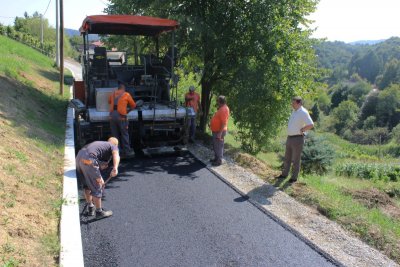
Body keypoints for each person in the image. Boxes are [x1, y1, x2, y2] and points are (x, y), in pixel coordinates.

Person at [76, 137, 120, 219]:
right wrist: (115, 168)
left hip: (79, 158)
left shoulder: (100, 144)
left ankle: (90, 207)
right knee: (98, 185)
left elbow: (95, 163)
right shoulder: (113, 146)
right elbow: (116, 155)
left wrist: (98, 172)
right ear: (116, 144)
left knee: (87, 185)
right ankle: (99, 212)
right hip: (88, 159)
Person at [277, 96, 314, 182]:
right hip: (290, 137)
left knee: (296, 159)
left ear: (298, 103)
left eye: (293, 103)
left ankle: (294, 178)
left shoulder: (303, 112)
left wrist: (302, 130)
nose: (292, 104)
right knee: (287, 158)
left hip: (297, 138)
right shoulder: (294, 111)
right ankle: (284, 174)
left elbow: (311, 124)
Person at [109, 82, 136, 157]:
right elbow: (133, 105)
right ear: (124, 89)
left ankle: (117, 151)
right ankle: (127, 151)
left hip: (112, 116)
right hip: (121, 117)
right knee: (124, 134)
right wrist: (128, 110)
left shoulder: (112, 94)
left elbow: (109, 102)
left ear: (118, 89)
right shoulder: (126, 94)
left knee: (115, 135)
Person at [209, 95, 230, 166]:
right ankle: (216, 158)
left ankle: (219, 161)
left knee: (218, 146)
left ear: (220, 101)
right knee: (216, 145)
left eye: (217, 101)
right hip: (216, 130)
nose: (217, 102)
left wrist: (220, 133)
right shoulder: (222, 108)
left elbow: (224, 123)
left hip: (219, 131)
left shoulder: (223, 109)